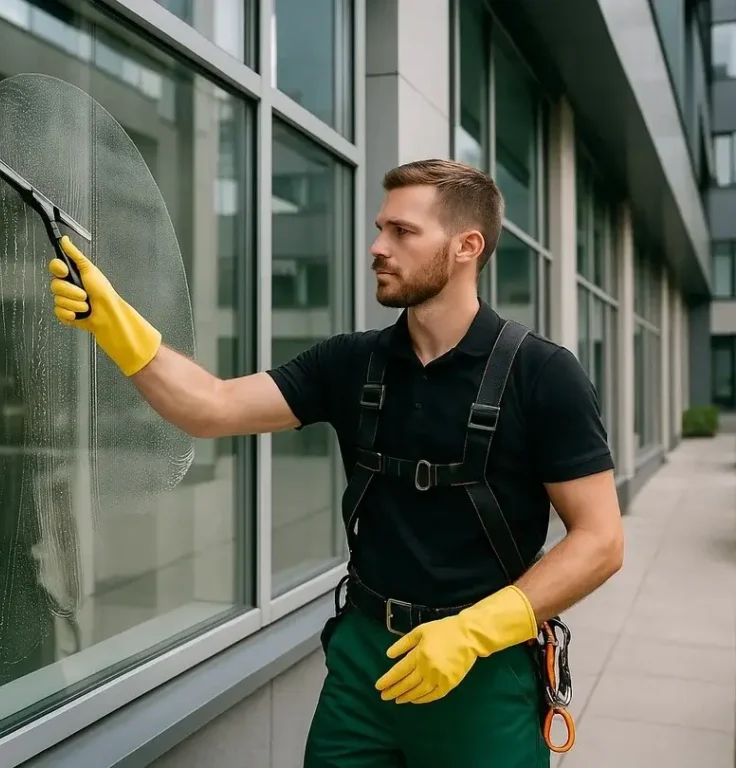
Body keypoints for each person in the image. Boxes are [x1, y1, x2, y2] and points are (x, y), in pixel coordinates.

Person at [48, 158, 624, 767]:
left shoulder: (543, 374)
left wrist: (474, 632)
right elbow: (210, 407)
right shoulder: (351, 363)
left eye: (402, 232)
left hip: (482, 669)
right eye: (380, 228)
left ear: (466, 247)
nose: (378, 247)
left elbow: (601, 540)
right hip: (362, 667)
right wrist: (112, 321)